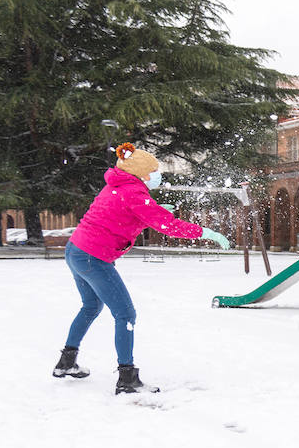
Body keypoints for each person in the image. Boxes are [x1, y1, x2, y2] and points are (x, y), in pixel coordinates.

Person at [52, 143, 231, 394]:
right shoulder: (134, 192)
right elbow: (167, 225)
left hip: (76, 251)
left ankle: (66, 362)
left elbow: (121, 215)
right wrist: (205, 232)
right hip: (93, 257)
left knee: (91, 306)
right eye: (154, 171)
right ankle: (127, 378)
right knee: (125, 315)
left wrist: (152, 211)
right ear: (142, 174)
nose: (157, 175)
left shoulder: (118, 185)